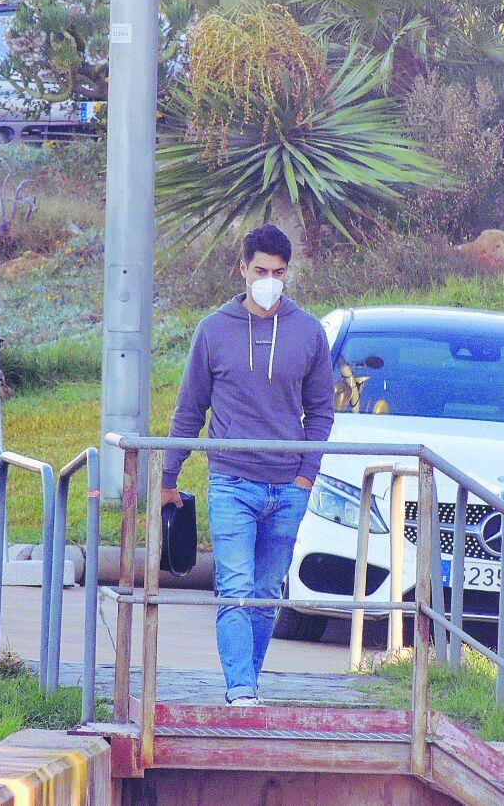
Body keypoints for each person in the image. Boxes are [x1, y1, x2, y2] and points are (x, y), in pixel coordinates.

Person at [161, 225, 334, 706]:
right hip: (232, 482)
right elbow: (189, 410)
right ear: (242, 269)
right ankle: (241, 691)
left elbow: (321, 411)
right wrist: (167, 478)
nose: (270, 280)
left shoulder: (308, 331)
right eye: (261, 270)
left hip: (288, 487)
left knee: (264, 595)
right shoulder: (214, 330)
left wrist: (306, 474)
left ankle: (248, 684)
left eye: (279, 273)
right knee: (235, 588)